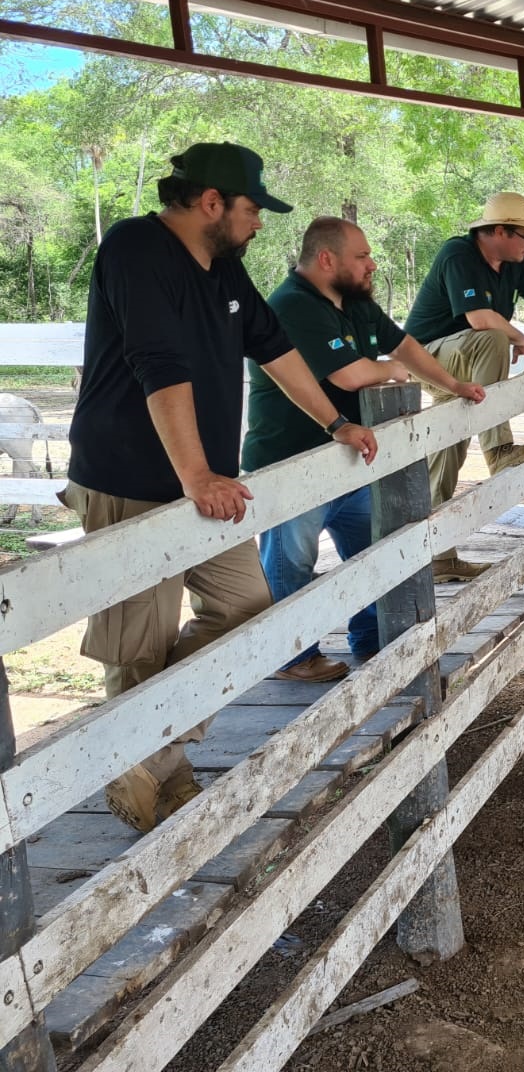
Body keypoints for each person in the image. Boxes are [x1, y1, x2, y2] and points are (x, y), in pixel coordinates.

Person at [61, 142, 378, 834]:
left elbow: (273, 346)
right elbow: (157, 362)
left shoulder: (225, 271)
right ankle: (158, 789)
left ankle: (141, 755)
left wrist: (333, 422)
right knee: (138, 644)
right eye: (251, 209)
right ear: (211, 203)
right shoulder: (135, 248)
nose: (259, 223)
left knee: (246, 610)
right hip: (128, 478)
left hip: (203, 484)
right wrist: (197, 474)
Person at [243, 217, 487, 682]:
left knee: (371, 552)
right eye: (362, 257)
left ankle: (375, 640)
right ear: (326, 259)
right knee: (291, 560)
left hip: (351, 457)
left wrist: (452, 384)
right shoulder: (294, 304)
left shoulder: (355, 302)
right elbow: (349, 375)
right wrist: (393, 371)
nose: (372, 264)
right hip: (292, 461)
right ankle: (293, 657)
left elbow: (406, 346)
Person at [404, 191, 524, 581]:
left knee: (448, 450)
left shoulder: (516, 261)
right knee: (494, 337)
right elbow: (480, 319)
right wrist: (520, 337)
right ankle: (499, 449)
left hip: (464, 370)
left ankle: (438, 557)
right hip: (426, 357)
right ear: (499, 231)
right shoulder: (458, 255)